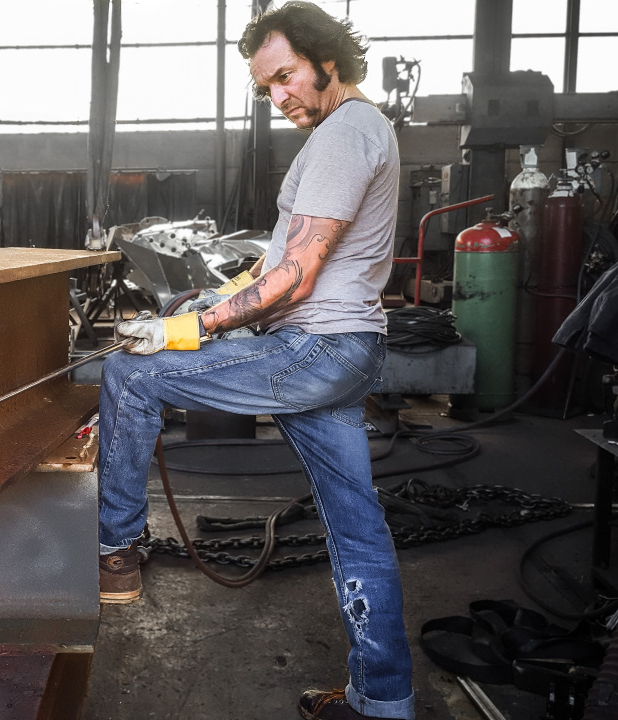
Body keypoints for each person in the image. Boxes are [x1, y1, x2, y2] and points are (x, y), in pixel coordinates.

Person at [94, 2, 413, 719]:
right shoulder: (364, 128)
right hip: (345, 348)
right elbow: (282, 264)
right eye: (266, 87)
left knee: (127, 374)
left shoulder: (341, 137)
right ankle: (382, 702)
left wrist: (184, 332)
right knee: (357, 529)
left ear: (328, 57)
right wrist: (212, 296)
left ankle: (115, 552)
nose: (279, 97)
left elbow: (295, 280)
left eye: (287, 76)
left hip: (315, 349)